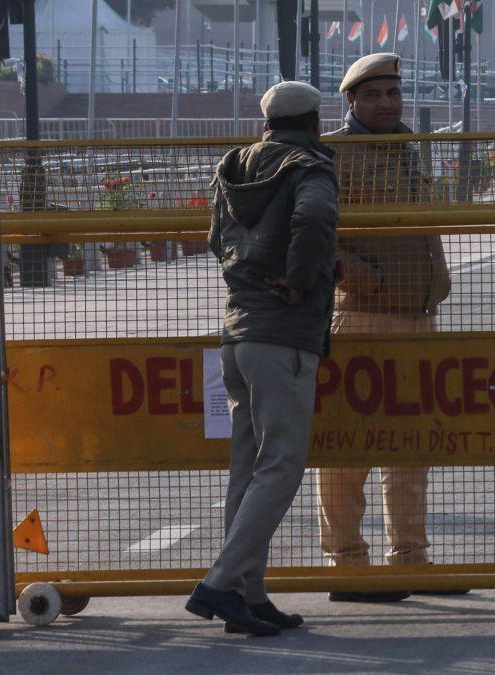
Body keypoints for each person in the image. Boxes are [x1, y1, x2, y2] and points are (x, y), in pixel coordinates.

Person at [186, 80, 338, 636]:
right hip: (283, 336)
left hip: (237, 332)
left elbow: (215, 240)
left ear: (266, 124)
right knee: (281, 465)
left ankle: (246, 596)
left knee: (247, 469)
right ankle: (219, 585)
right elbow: (315, 219)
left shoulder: (234, 168)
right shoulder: (310, 167)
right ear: (315, 123)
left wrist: (253, 280)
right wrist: (299, 279)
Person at [315, 53, 455, 603]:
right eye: (372, 95)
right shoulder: (333, 153)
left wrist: (436, 281)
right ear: (350, 101)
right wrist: (362, 277)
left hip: (417, 315)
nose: (386, 104)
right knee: (348, 444)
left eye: (393, 93)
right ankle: (347, 562)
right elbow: (316, 230)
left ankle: (410, 559)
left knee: (412, 444)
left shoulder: (408, 147)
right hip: (362, 314)